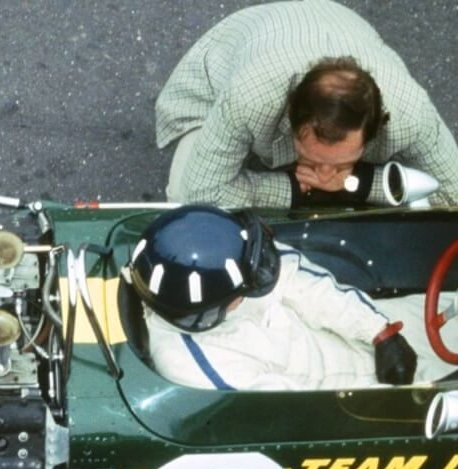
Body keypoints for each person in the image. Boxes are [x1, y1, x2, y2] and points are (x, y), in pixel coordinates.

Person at [155, 0, 458, 208]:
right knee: (185, 200)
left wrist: (363, 182)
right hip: (230, 61)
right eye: (312, 160)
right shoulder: (248, 97)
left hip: (337, 21)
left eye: (340, 164)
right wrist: (292, 190)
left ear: (375, 129)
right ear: (290, 115)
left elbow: (453, 194)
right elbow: (202, 193)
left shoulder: (411, 112)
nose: (325, 176)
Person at [126, 205, 458, 391]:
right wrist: (388, 396)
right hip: (353, 389)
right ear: (207, 310)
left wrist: (379, 331)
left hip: (366, 329)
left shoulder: (234, 254)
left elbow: (304, 284)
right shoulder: (192, 368)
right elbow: (292, 407)